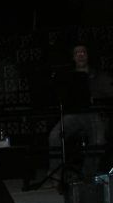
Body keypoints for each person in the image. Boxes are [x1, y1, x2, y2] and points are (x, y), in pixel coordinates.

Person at [48, 44, 113, 181]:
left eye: (83, 52)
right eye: (77, 53)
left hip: (94, 114)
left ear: (88, 55)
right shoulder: (67, 77)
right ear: (73, 57)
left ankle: (87, 175)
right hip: (73, 114)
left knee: (98, 140)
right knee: (54, 136)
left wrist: (96, 98)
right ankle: (56, 174)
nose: (80, 55)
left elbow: (109, 93)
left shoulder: (99, 75)